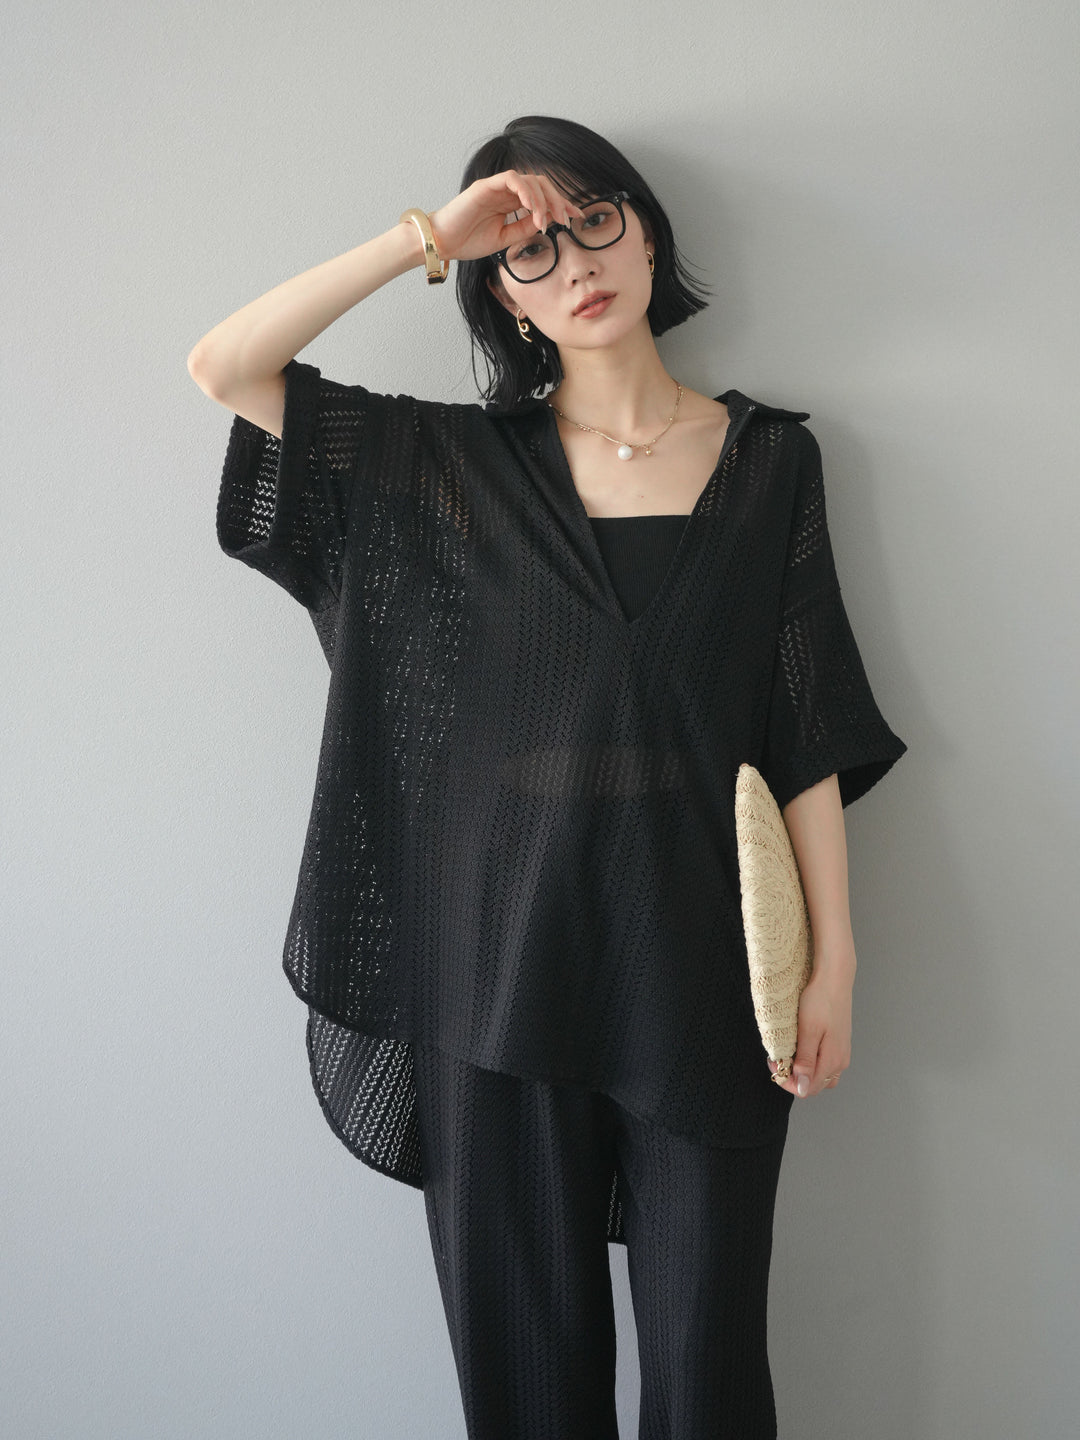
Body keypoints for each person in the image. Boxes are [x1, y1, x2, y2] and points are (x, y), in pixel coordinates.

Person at [189, 114, 907, 1439]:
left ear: (648, 237)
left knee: (707, 1370)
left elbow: (804, 726)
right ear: (501, 299)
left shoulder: (771, 463)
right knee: (526, 1375)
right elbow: (227, 365)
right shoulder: (446, 468)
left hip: (704, 969)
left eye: (594, 221)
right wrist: (433, 235)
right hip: (494, 966)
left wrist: (836, 963)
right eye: (529, 250)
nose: (572, 260)